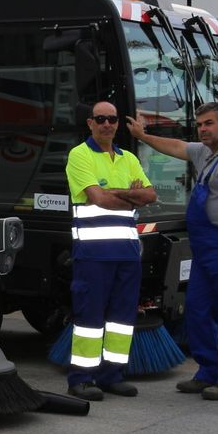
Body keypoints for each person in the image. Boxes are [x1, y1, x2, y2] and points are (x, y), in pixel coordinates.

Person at [127, 102, 218, 400]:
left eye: (209, 123)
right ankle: (208, 371)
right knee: (198, 309)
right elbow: (177, 146)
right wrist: (142, 136)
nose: (202, 129)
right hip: (207, 248)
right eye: (200, 124)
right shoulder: (205, 151)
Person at [62, 101, 157, 401]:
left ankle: (111, 375)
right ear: (90, 123)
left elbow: (150, 195)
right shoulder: (80, 155)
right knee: (89, 318)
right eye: (100, 119)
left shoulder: (128, 158)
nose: (107, 124)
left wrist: (115, 193)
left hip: (127, 254)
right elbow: (98, 199)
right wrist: (131, 195)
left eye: (112, 119)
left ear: (118, 123)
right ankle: (81, 379)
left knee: (121, 319)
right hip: (93, 255)